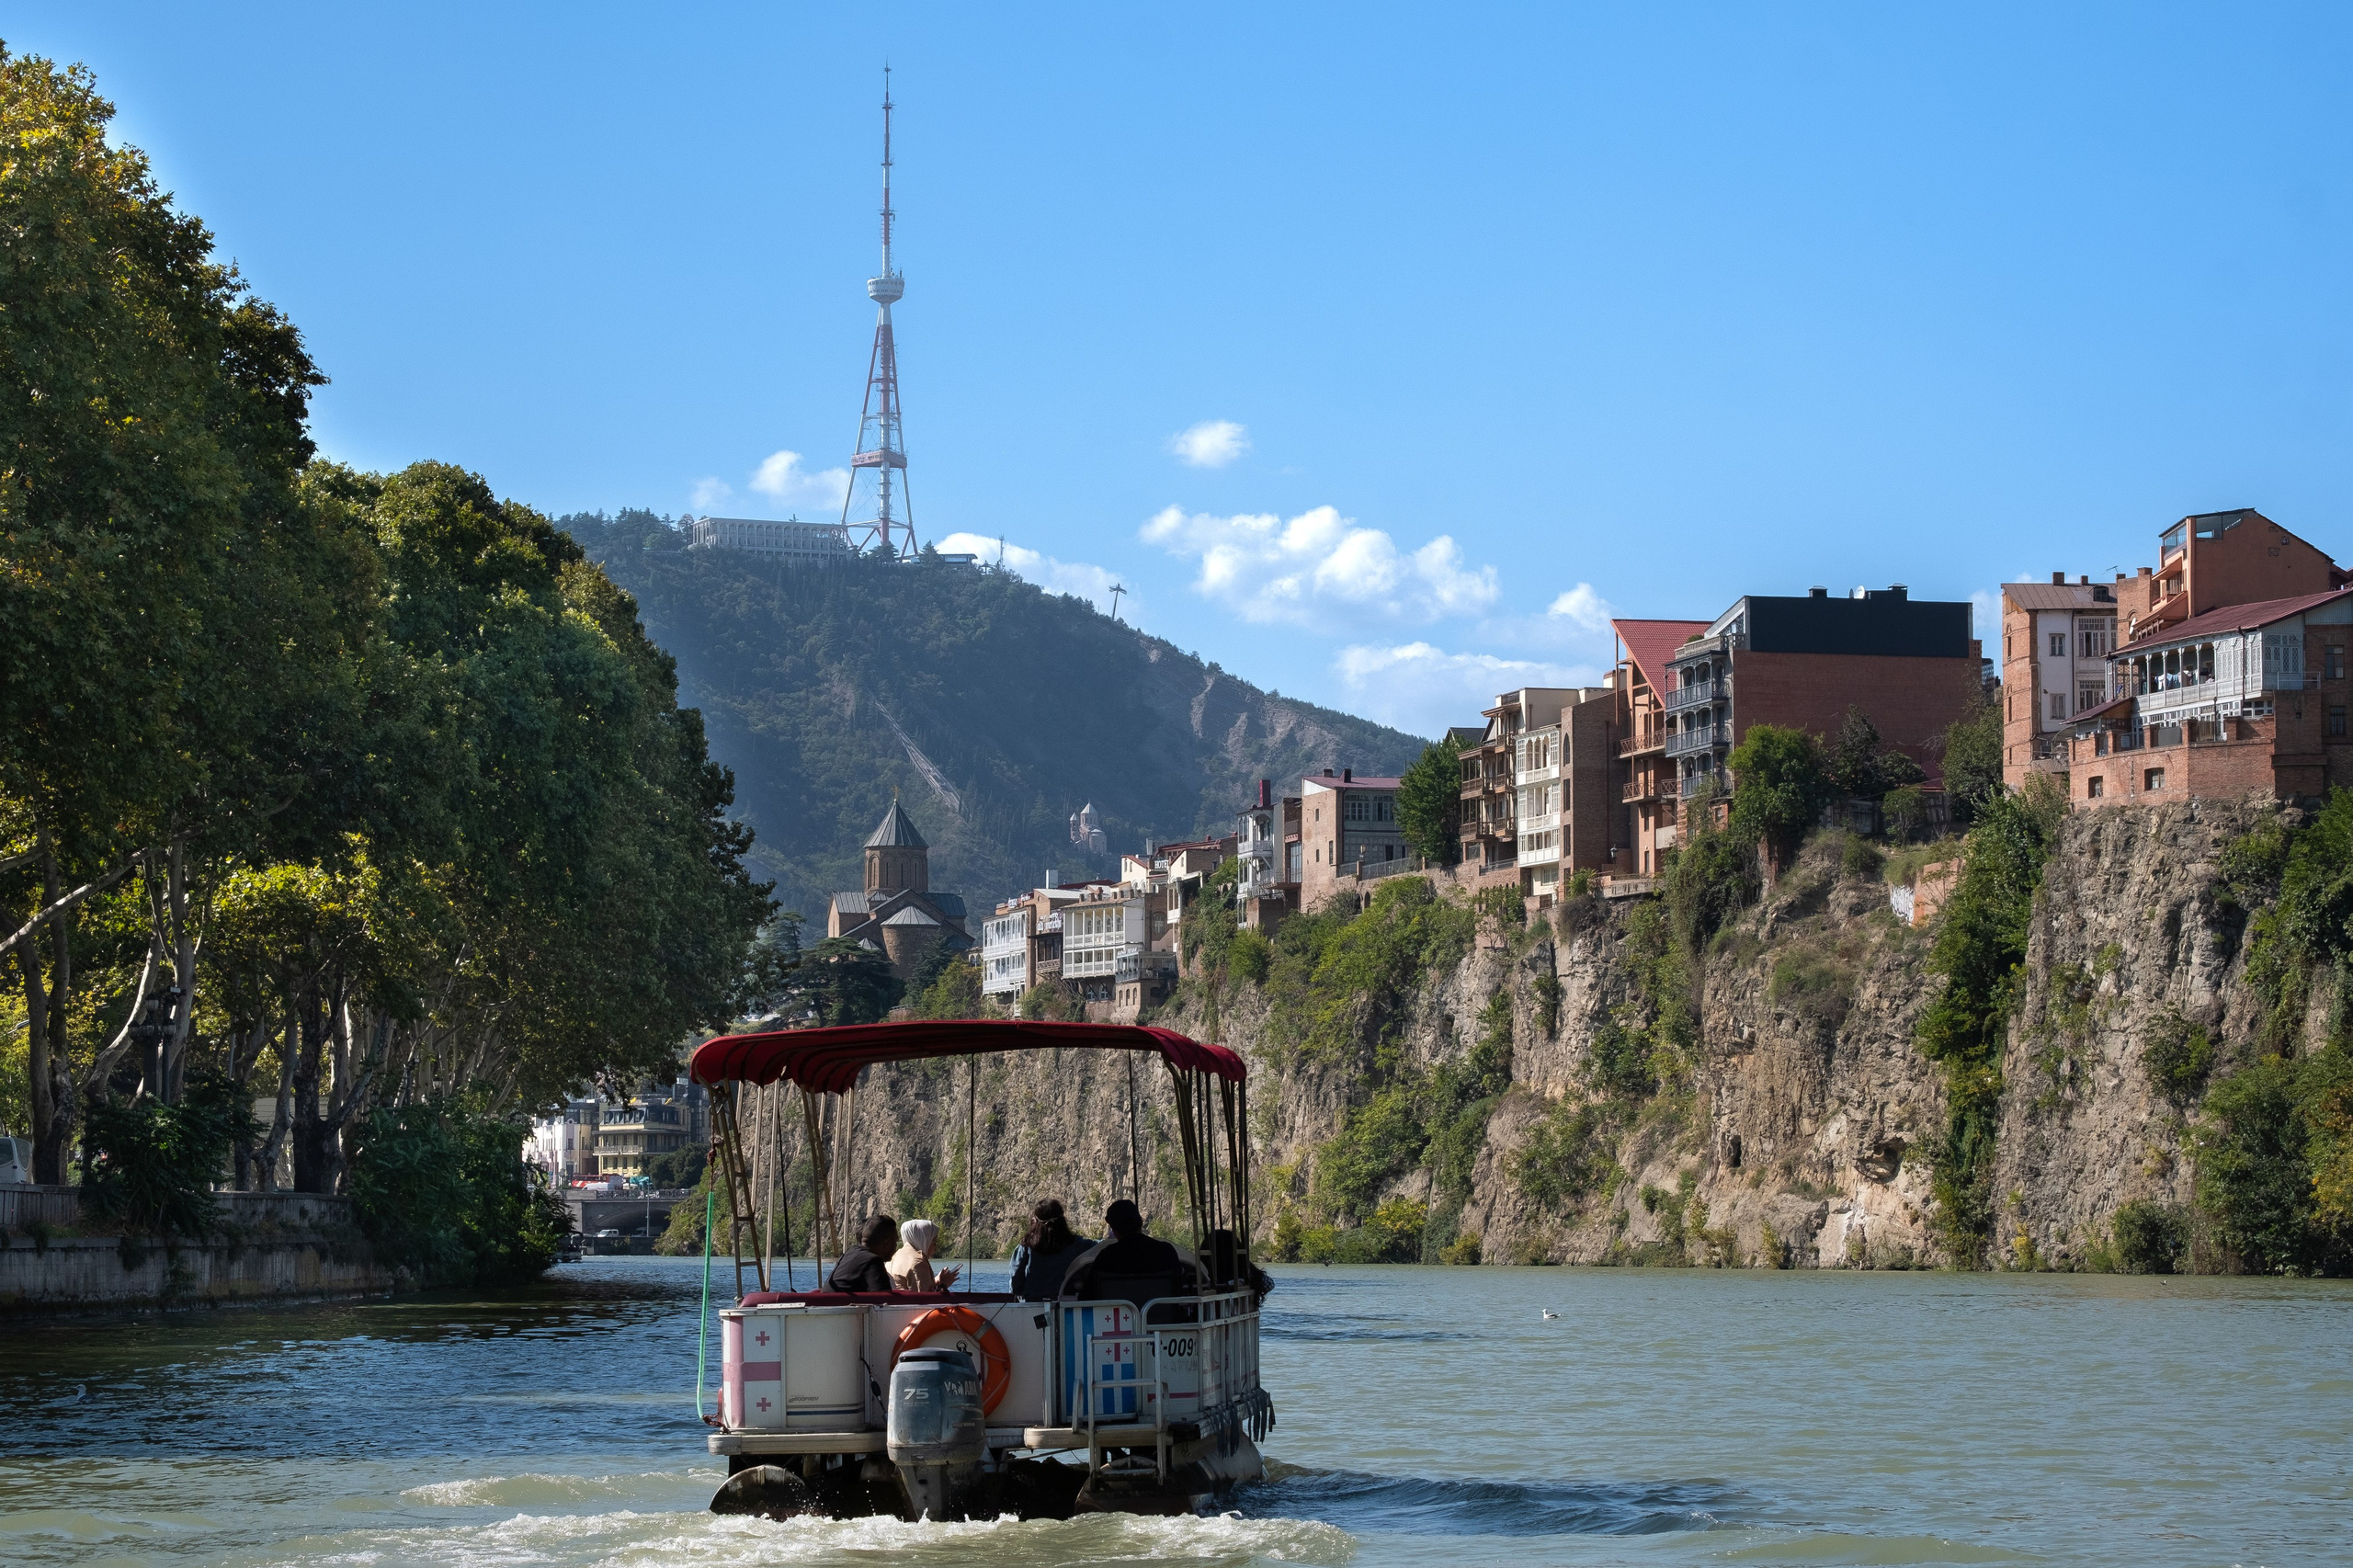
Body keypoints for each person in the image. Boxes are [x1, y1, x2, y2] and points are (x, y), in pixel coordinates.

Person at [1059, 1199, 1195, 1312]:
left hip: (1117, 1334)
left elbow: (1086, 1299)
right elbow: (1179, 1294)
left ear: (1115, 1230)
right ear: (1141, 1222)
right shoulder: (1166, 1252)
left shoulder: (1107, 1257)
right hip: (1162, 1330)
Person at [1008, 1199, 1093, 1301]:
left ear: (1035, 1220)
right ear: (1062, 1218)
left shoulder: (1027, 1246)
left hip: (1034, 1301)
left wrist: (1018, 1292)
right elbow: (1102, 1246)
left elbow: (1016, 1276)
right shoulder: (1078, 1244)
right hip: (1068, 1301)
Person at [886, 1217, 961, 1292]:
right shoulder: (918, 1262)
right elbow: (926, 1299)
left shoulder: (894, 1257)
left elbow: (912, 1287)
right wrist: (944, 1284)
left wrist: (935, 1281)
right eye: (934, 1243)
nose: (935, 1249)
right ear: (924, 1240)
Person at [828, 1214, 898, 1293]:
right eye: (895, 1241)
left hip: (828, 1304)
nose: (896, 1246)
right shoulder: (873, 1261)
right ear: (887, 1243)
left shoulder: (849, 1253)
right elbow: (884, 1300)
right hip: (840, 1304)